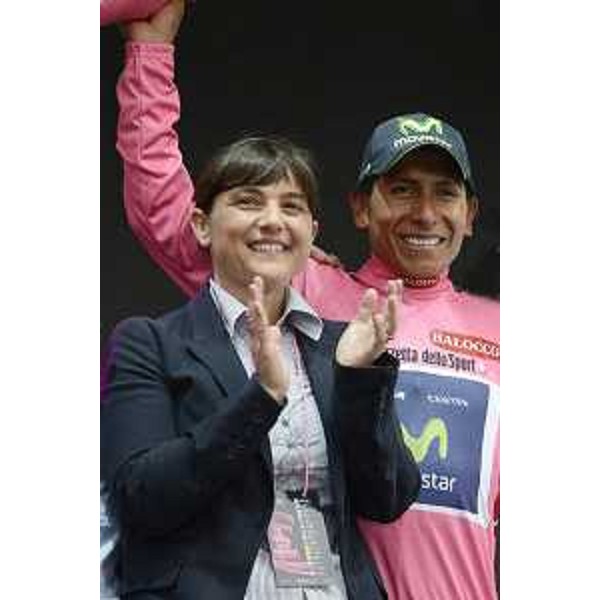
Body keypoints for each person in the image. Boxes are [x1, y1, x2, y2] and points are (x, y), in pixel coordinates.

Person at [112, 2, 500, 598]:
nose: (425, 213)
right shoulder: (306, 291)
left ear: (471, 215)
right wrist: (151, 56)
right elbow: (168, 211)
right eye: (400, 190)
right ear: (358, 208)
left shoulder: (505, 330)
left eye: (444, 193)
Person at [101, 133, 420, 599]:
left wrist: (359, 379)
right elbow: (140, 501)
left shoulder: (339, 345)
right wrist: (261, 398)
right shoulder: (150, 342)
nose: (272, 221)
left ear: (311, 231)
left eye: (291, 207)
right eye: (249, 201)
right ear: (202, 225)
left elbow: (388, 499)